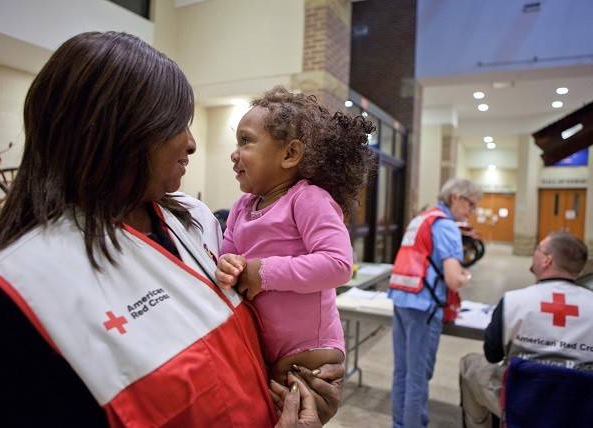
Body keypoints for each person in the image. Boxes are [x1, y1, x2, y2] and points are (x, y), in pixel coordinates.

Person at [0, 31, 341, 427]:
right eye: (176, 123)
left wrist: (297, 392)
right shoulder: (22, 293)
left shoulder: (196, 222)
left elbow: (239, 361)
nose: (192, 143)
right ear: (117, 133)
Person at [215, 86, 375, 388]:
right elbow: (227, 253)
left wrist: (263, 273)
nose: (234, 154)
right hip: (262, 346)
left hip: (309, 350)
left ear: (290, 154)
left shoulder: (308, 199)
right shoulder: (241, 207)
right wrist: (228, 265)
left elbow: (338, 264)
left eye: (245, 141)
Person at [459, 231, 592, 428]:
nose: (534, 253)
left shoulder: (514, 301)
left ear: (547, 260)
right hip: (581, 408)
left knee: (469, 365)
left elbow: (492, 354)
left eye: (538, 248)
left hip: (522, 403)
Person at [388, 177, 481, 428]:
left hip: (401, 299)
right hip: (424, 306)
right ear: (456, 198)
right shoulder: (447, 225)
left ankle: (400, 423)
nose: (471, 211)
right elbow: (453, 279)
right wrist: (465, 276)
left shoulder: (421, 218)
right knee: (417, 377)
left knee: (402, 372)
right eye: (471, 204)